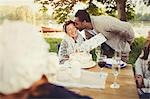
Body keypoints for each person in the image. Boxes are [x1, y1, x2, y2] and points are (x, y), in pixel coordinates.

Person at [0, 20, 91, 99]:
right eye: (69, 29)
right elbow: (61, 58)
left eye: (73, 28)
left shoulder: (80, 38)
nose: (72, 31)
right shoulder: (49, 92)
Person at [135, 31, 150, 99]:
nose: (148, 31)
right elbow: (138, 62)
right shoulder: (147, 47)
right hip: (141, 88)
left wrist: (144, 82)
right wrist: (139, 76)